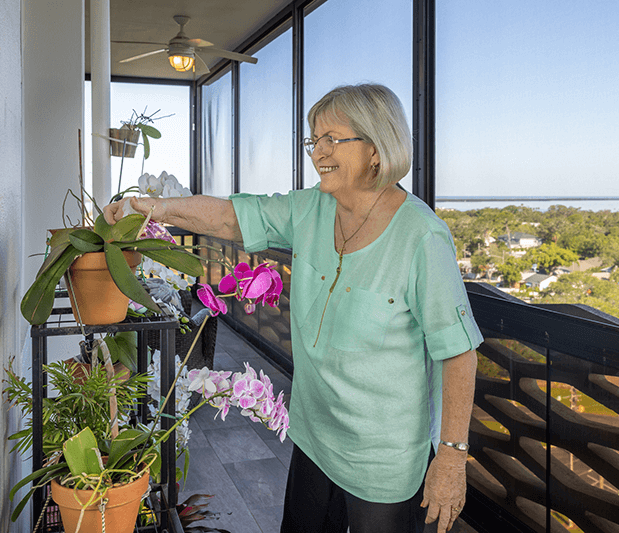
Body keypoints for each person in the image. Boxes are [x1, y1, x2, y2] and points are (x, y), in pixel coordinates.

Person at [104, 83, 482, 533]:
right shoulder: (311, 209)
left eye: (331, 139)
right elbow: (228, 216)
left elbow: (458, 353)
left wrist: (452, 459)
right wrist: (150, 207)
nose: (317, 151)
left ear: (377, 149)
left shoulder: (422, 237)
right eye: (313, 139)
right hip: (313, 437)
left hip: (382, 463)